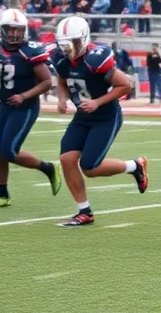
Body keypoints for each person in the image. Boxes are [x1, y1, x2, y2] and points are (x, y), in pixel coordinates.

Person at [50, 16, 148, 227]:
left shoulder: (96, 58)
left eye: (73, 41)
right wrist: (62, 99)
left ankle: (135, 166)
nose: (68, 47)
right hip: (82, 116)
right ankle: (84, 211)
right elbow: (61, 79)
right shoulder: (60, 58)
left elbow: (125, 85)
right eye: (65, 42)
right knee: (67, 159)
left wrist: (97, 102)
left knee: (90, 167)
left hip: (105, 116)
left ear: (83, 39)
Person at [0, 8, 60, 208]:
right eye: (11, 29)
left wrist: (24, 96)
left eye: (18, 30)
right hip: (5, 104)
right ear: (2, 29)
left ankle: (48, 168)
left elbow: (47, 82)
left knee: (9, 151)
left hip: (26, 107)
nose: (15, 34)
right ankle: (2, 194)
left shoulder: (30, 51)